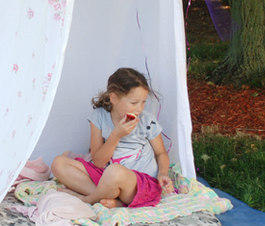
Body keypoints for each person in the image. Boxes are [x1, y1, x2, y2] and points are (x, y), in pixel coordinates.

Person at [51, 67, 174, 208]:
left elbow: (161, 153)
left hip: (138, 184)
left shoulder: (147, 121)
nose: (139, 108)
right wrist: (116, 135)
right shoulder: (99, 117)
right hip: (107, 177)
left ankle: (88, 199)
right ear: (114, 98)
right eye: (134, 103)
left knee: (115, 171)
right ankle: (115, 200)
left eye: (143, 102)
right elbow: (98, 162)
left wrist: (163, 173)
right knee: (58, 163)